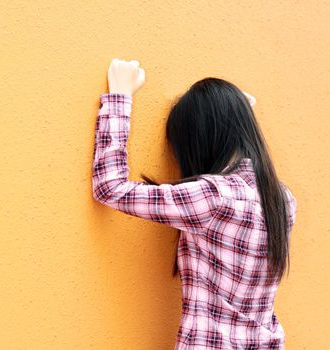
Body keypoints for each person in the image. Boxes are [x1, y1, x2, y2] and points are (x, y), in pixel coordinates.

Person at [91, 58, 297, 349]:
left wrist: (119, 96)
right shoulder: (283, 201)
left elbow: (109, 187)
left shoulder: (212, 198)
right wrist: (238, 110)